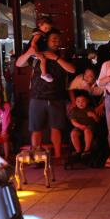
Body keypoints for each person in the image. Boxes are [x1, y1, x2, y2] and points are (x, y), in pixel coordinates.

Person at [16, 30, 76, 162]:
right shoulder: (38, 55)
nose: (56, 42)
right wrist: (29, 53)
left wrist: (56, 58)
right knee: (36, 128)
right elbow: (19, 63)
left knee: (56, 128)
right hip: (37, 96)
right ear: (47, 41)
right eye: (53, 39)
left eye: (58, 40)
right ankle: (36, 156)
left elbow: (72, 70)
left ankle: (58, 156)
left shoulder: (62, 55)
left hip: (57, 96)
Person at [28, 16, 56, 83]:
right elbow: (33, 42)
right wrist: (36, 52)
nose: (47, 30)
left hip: (37, 51)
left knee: (43, 59)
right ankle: (44, 74)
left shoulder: (42, 33)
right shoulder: (38, 34)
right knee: (43, 60)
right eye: (46, 28)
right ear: (40, 25)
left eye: (49, 28)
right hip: (35, 51)